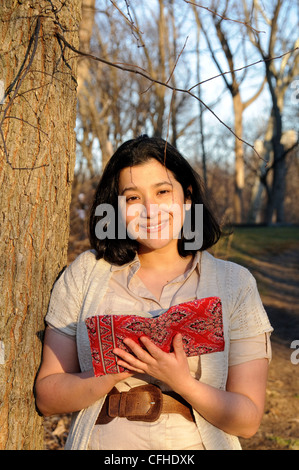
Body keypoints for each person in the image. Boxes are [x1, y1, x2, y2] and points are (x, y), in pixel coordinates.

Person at [35, 135, 273, 450]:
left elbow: (248, 420)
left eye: (162, 192)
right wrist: (111, 373)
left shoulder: (234, 283)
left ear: (187, 198)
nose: (150, 209)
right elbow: (48, 397)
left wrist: (182, 383)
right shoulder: (85, 274)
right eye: (133, 198)